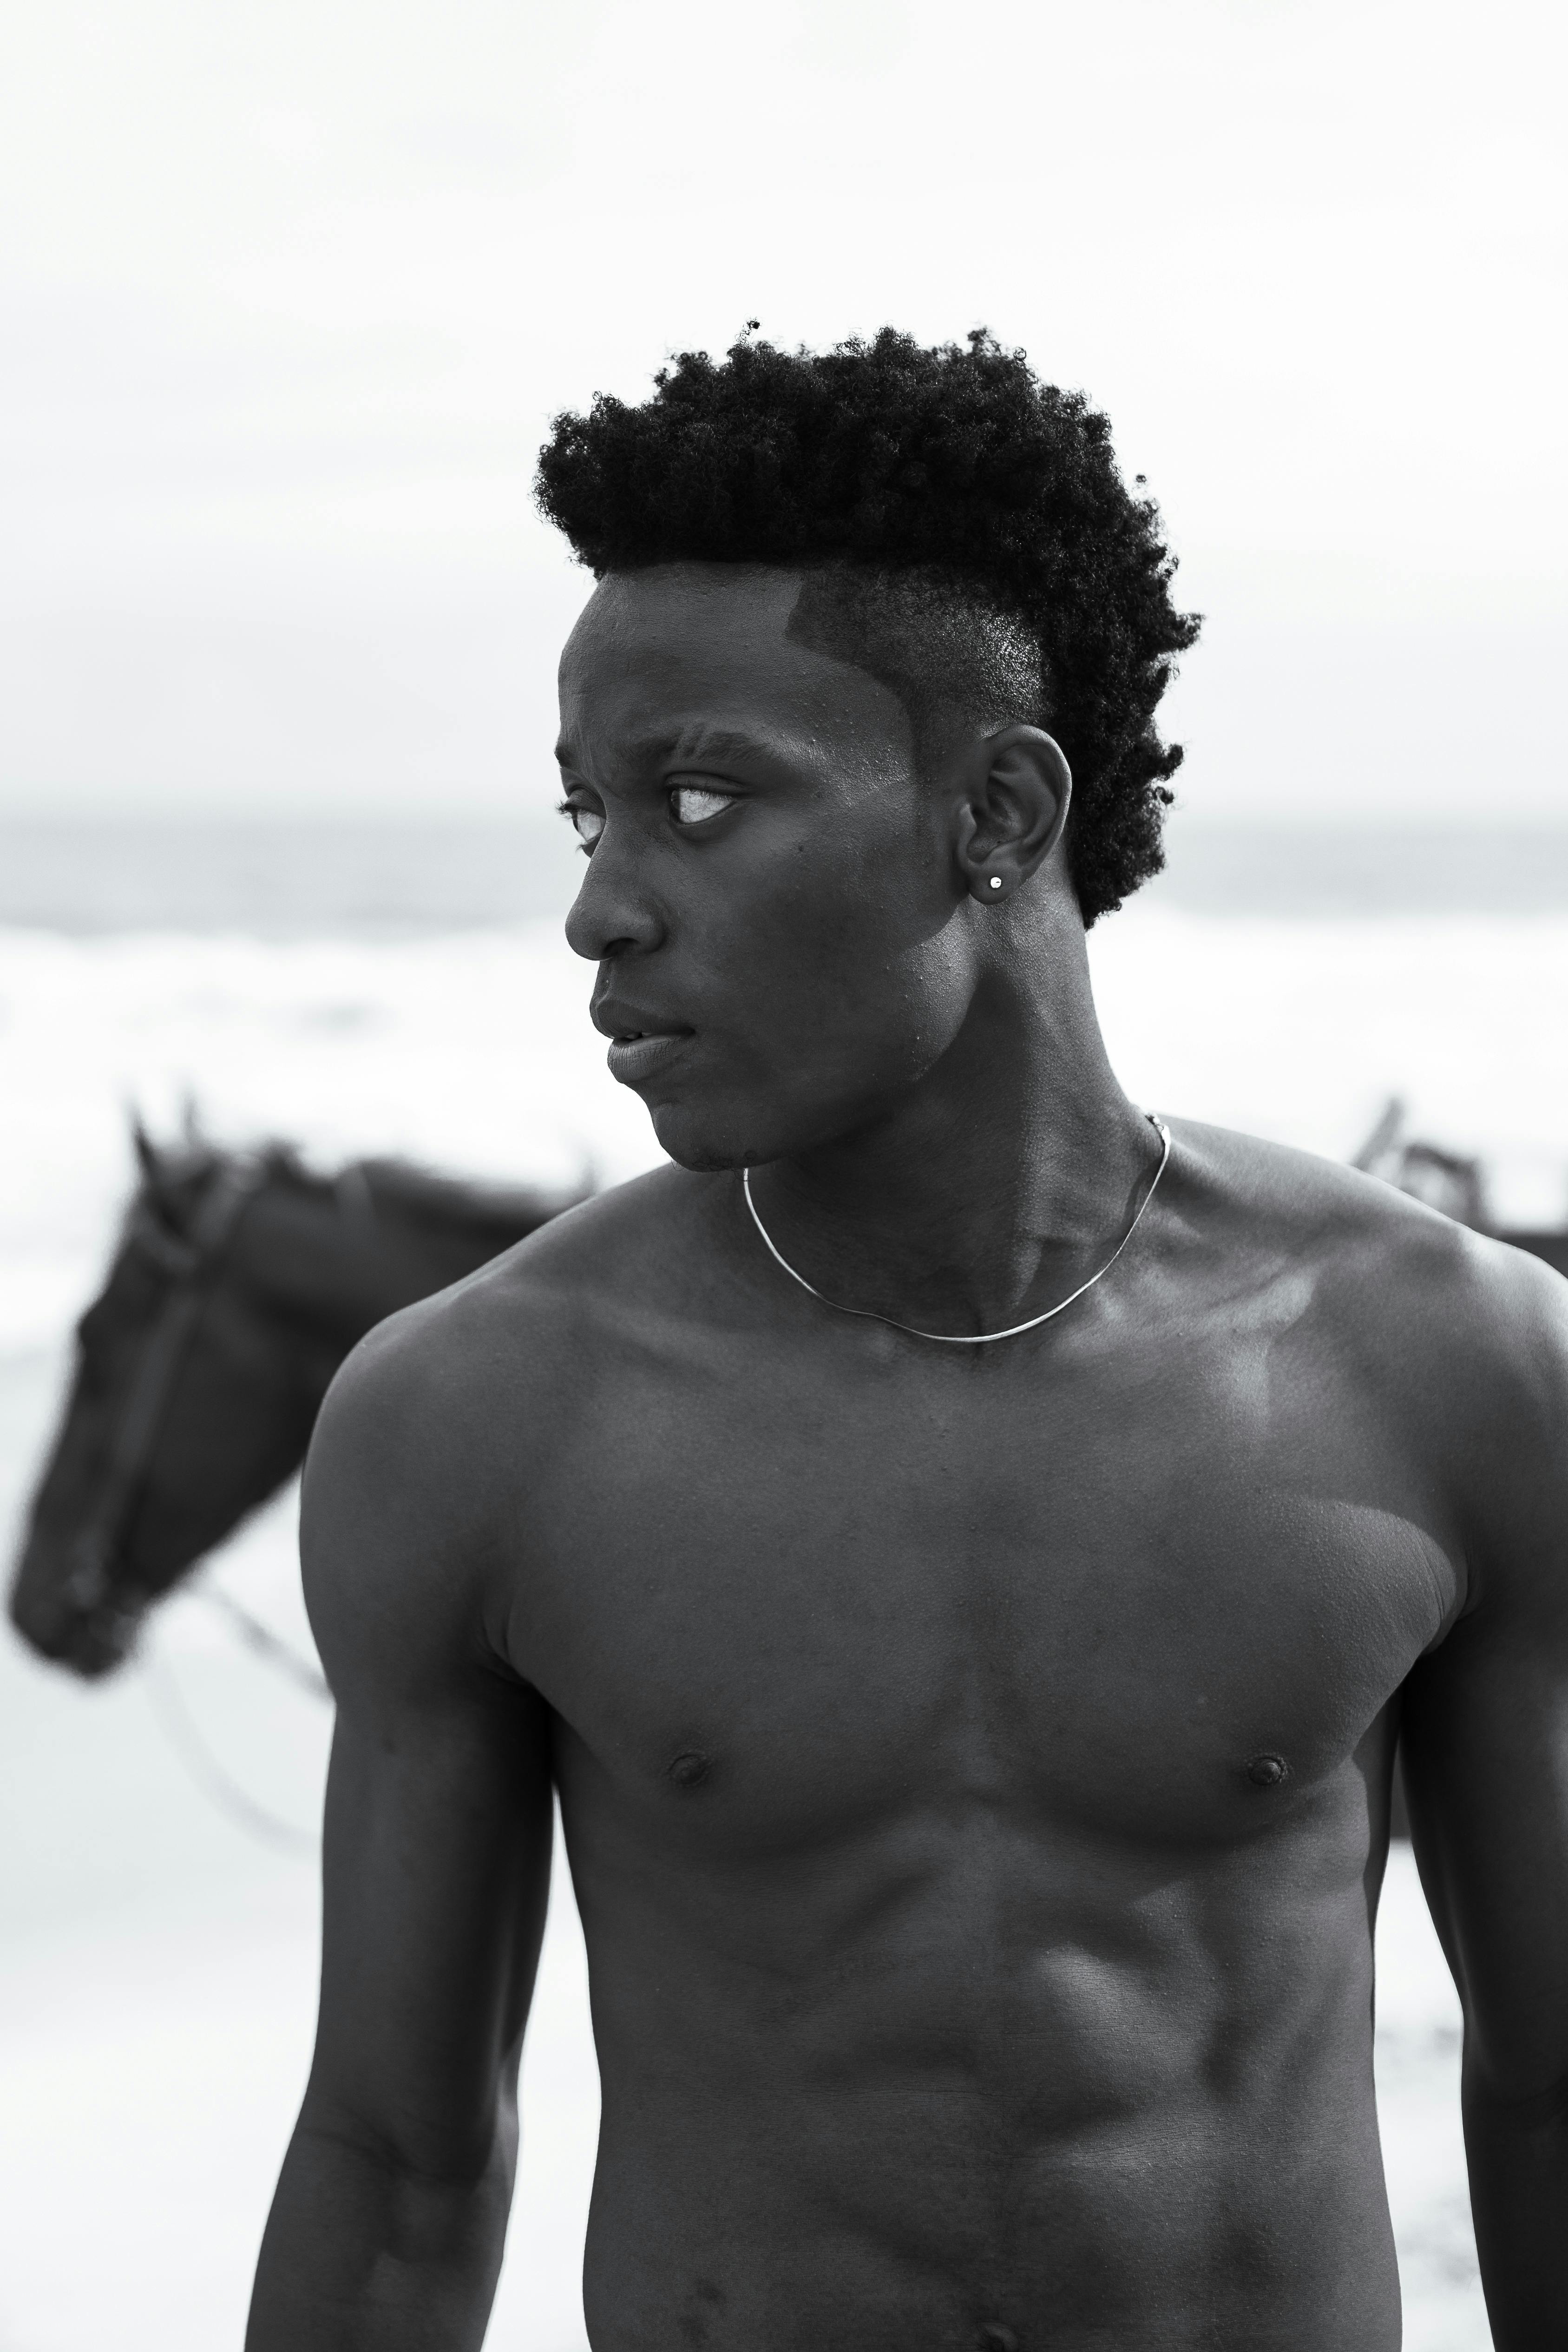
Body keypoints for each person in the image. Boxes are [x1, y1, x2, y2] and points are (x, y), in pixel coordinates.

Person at [247, 331, 1568, 2352]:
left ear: (996, 811)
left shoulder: (1440, 1370)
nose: (603, 906)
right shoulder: (479, 1418)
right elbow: (399, 2163)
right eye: (587, 810)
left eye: (700, 799)